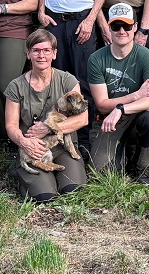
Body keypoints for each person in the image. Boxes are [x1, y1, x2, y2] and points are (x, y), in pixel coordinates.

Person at [6, 29, 88, 203]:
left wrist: (48, 127)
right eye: (36, 50)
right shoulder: (16, 86)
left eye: (46, 50)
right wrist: (24, 143)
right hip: (34, 148)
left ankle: (61, 175)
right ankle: (21, 173)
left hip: (63, 146)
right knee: (44, 196)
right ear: (28, 53)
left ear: (54, 53)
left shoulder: (67, 80)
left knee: (73, 190)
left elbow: (83, 118)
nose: (41, 55)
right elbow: (11, 126)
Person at [88, 3, 149, 182]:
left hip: (137, 115)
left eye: (127, 26)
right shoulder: (96, 59)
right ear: (109, 27)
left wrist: (121, 108)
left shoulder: (146, 56)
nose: (122, 31)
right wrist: (137, 95)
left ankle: (142, 168)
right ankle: (124, 156)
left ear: (135, 27)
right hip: (109, 120)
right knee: (103, 174)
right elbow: (101, 104)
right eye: (116, 26)